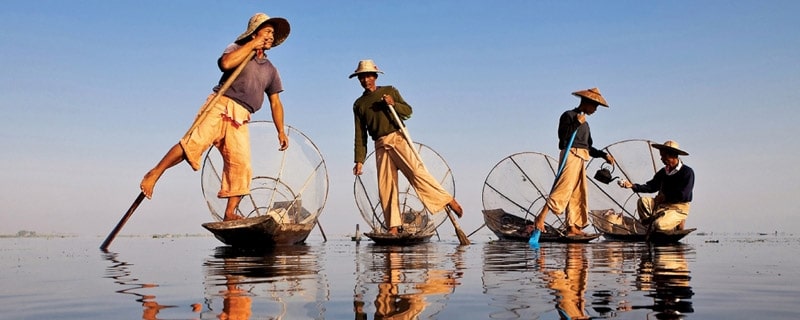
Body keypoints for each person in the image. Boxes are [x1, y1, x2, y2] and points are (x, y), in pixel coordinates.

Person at [139, 13, 291, 221]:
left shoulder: (271, 70)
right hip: (220, 105)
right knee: (193, 145)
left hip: (242, 116)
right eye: (267, 31)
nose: (270, 36)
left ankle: (229, 213)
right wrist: (253, 44)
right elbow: (226, 64)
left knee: (241, 165)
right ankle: (154, 173)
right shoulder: (236, 48)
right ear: (255, 33)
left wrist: (280, 131)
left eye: (273, 33)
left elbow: (276, 102)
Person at [350, 59, 463, 235]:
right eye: (361, 78)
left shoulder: (389, 91)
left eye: (368, 76)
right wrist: (359, 160)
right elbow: (360, 134)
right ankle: (393, 226)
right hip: (380, 145)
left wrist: (393, 104)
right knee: (386, 186)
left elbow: (408, 111)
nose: (365, 80)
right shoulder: (359, 104)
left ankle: (447, 199)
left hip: (398, 138)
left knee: (416, 172)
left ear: (374, 76)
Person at [534, 88, 615, 236]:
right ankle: (540, 217)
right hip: (570, 154)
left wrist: (603, 155)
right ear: (586, 102)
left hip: (582, 156)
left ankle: (572, 226)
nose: (595, 110)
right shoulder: (569, 116)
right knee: (563, 188)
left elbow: (588, 147)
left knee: (577, 193)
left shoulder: (586, 124)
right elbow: (563, 138)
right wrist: (576, 123)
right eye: (594, 106)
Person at [618, 140, 694, 231]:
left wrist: (665, 197)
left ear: (673, 156)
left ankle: (676, 221)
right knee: (642, 201)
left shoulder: (687, 172)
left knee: (659, 225)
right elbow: (651, 186)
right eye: (661, 156)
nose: (661, 159)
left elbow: (683, 194)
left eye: (664, 156)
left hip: (678, 208)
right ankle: (649, 223)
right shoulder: (663, 172)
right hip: (662, 206)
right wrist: (633, 186)